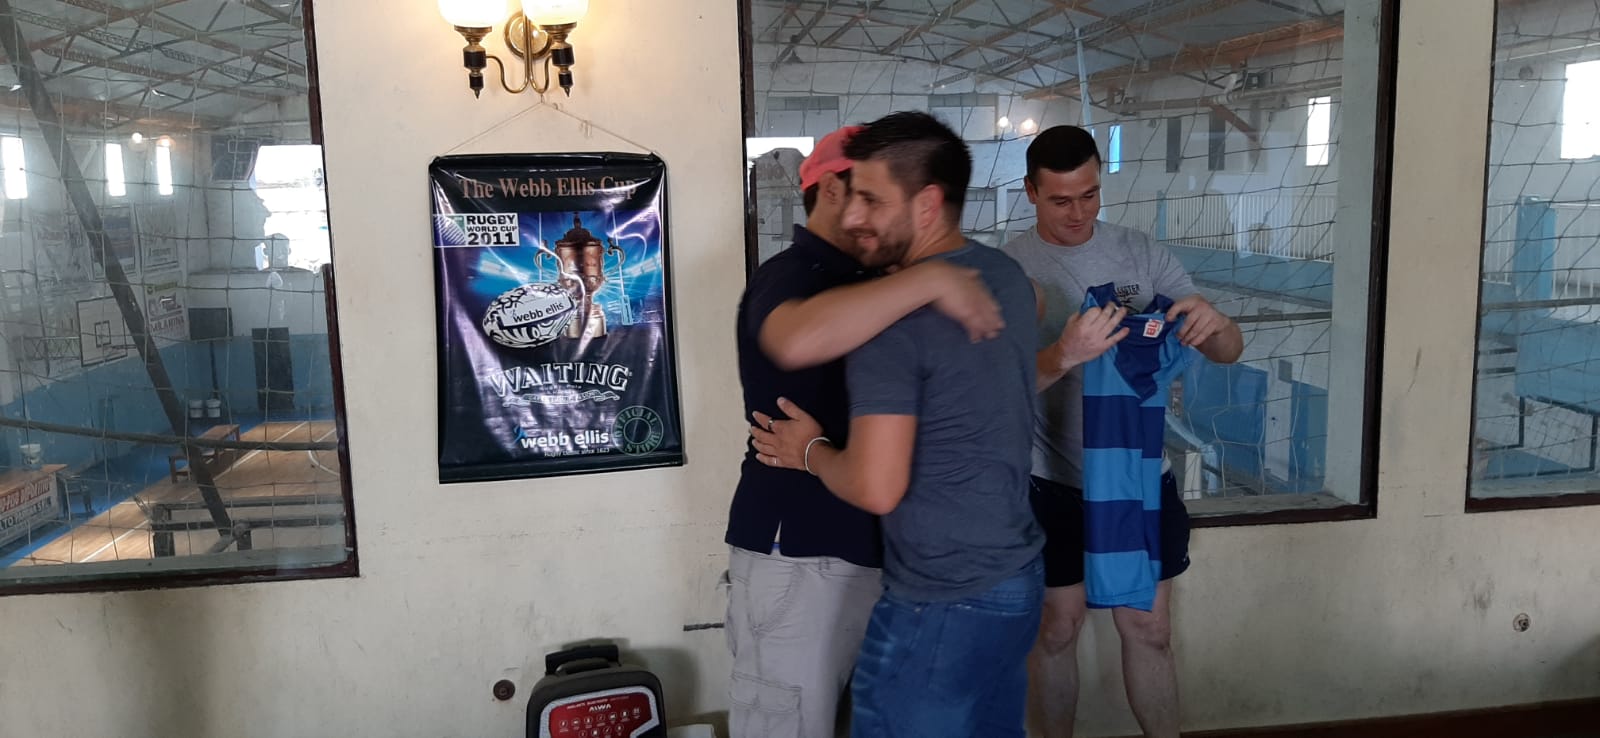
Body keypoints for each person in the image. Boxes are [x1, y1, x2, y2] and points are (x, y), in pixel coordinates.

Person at [749, 111, 1044, 738]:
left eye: (873, 200)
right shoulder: (1005, 278)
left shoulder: (891, 322)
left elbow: (876, 486)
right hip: (1016, 580)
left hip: (941, 599)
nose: (855, 216)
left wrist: (812, 451)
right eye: (851, 195)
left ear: (927, 203)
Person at [1000, 125, 1244, 738]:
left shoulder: (1141, 254)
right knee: (1058, 629)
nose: (1078, 212)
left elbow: (1228, 350)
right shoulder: (1006, 270)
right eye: (1061, 200)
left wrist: (1216, 325)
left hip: (1139, 477)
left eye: (1089, 195)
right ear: (1030, 192)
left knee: (1149, 628)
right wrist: (1063, 354)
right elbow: (994, 391)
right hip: (1051, 481)